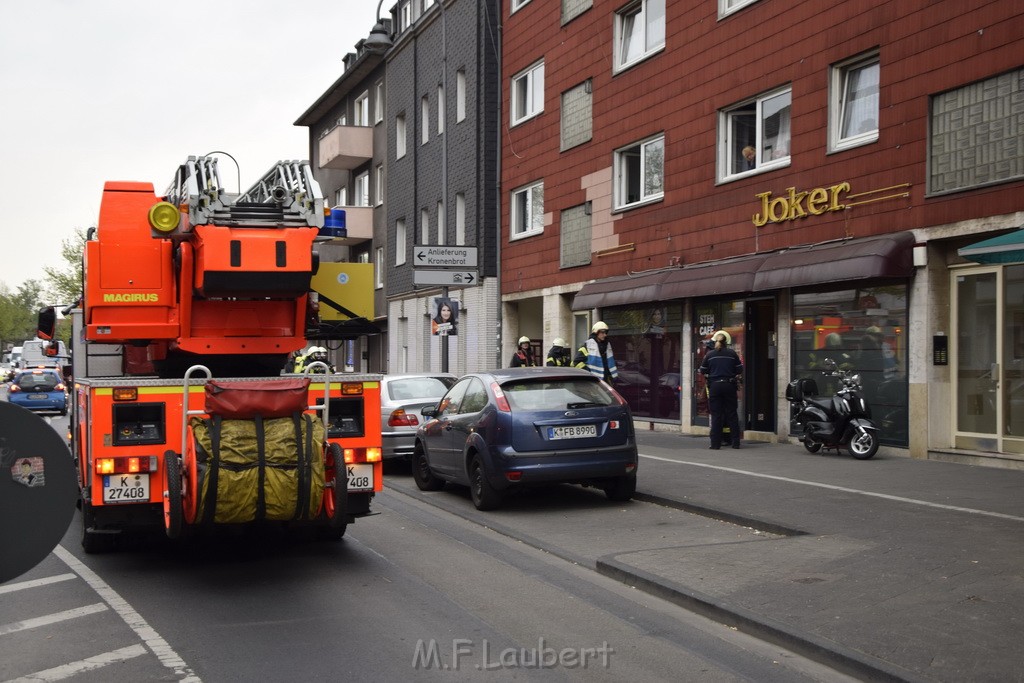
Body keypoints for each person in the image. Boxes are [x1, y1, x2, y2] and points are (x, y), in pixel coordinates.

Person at [698, 330, 743, 450]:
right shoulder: (732, 354)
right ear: (727, 342)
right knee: (732, 414)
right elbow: (739, 370)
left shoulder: (710, 355)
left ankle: (715, 444)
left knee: (716, 415)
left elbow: (702, 370)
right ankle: (736, 443)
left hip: (715, 386)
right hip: (729, 385)